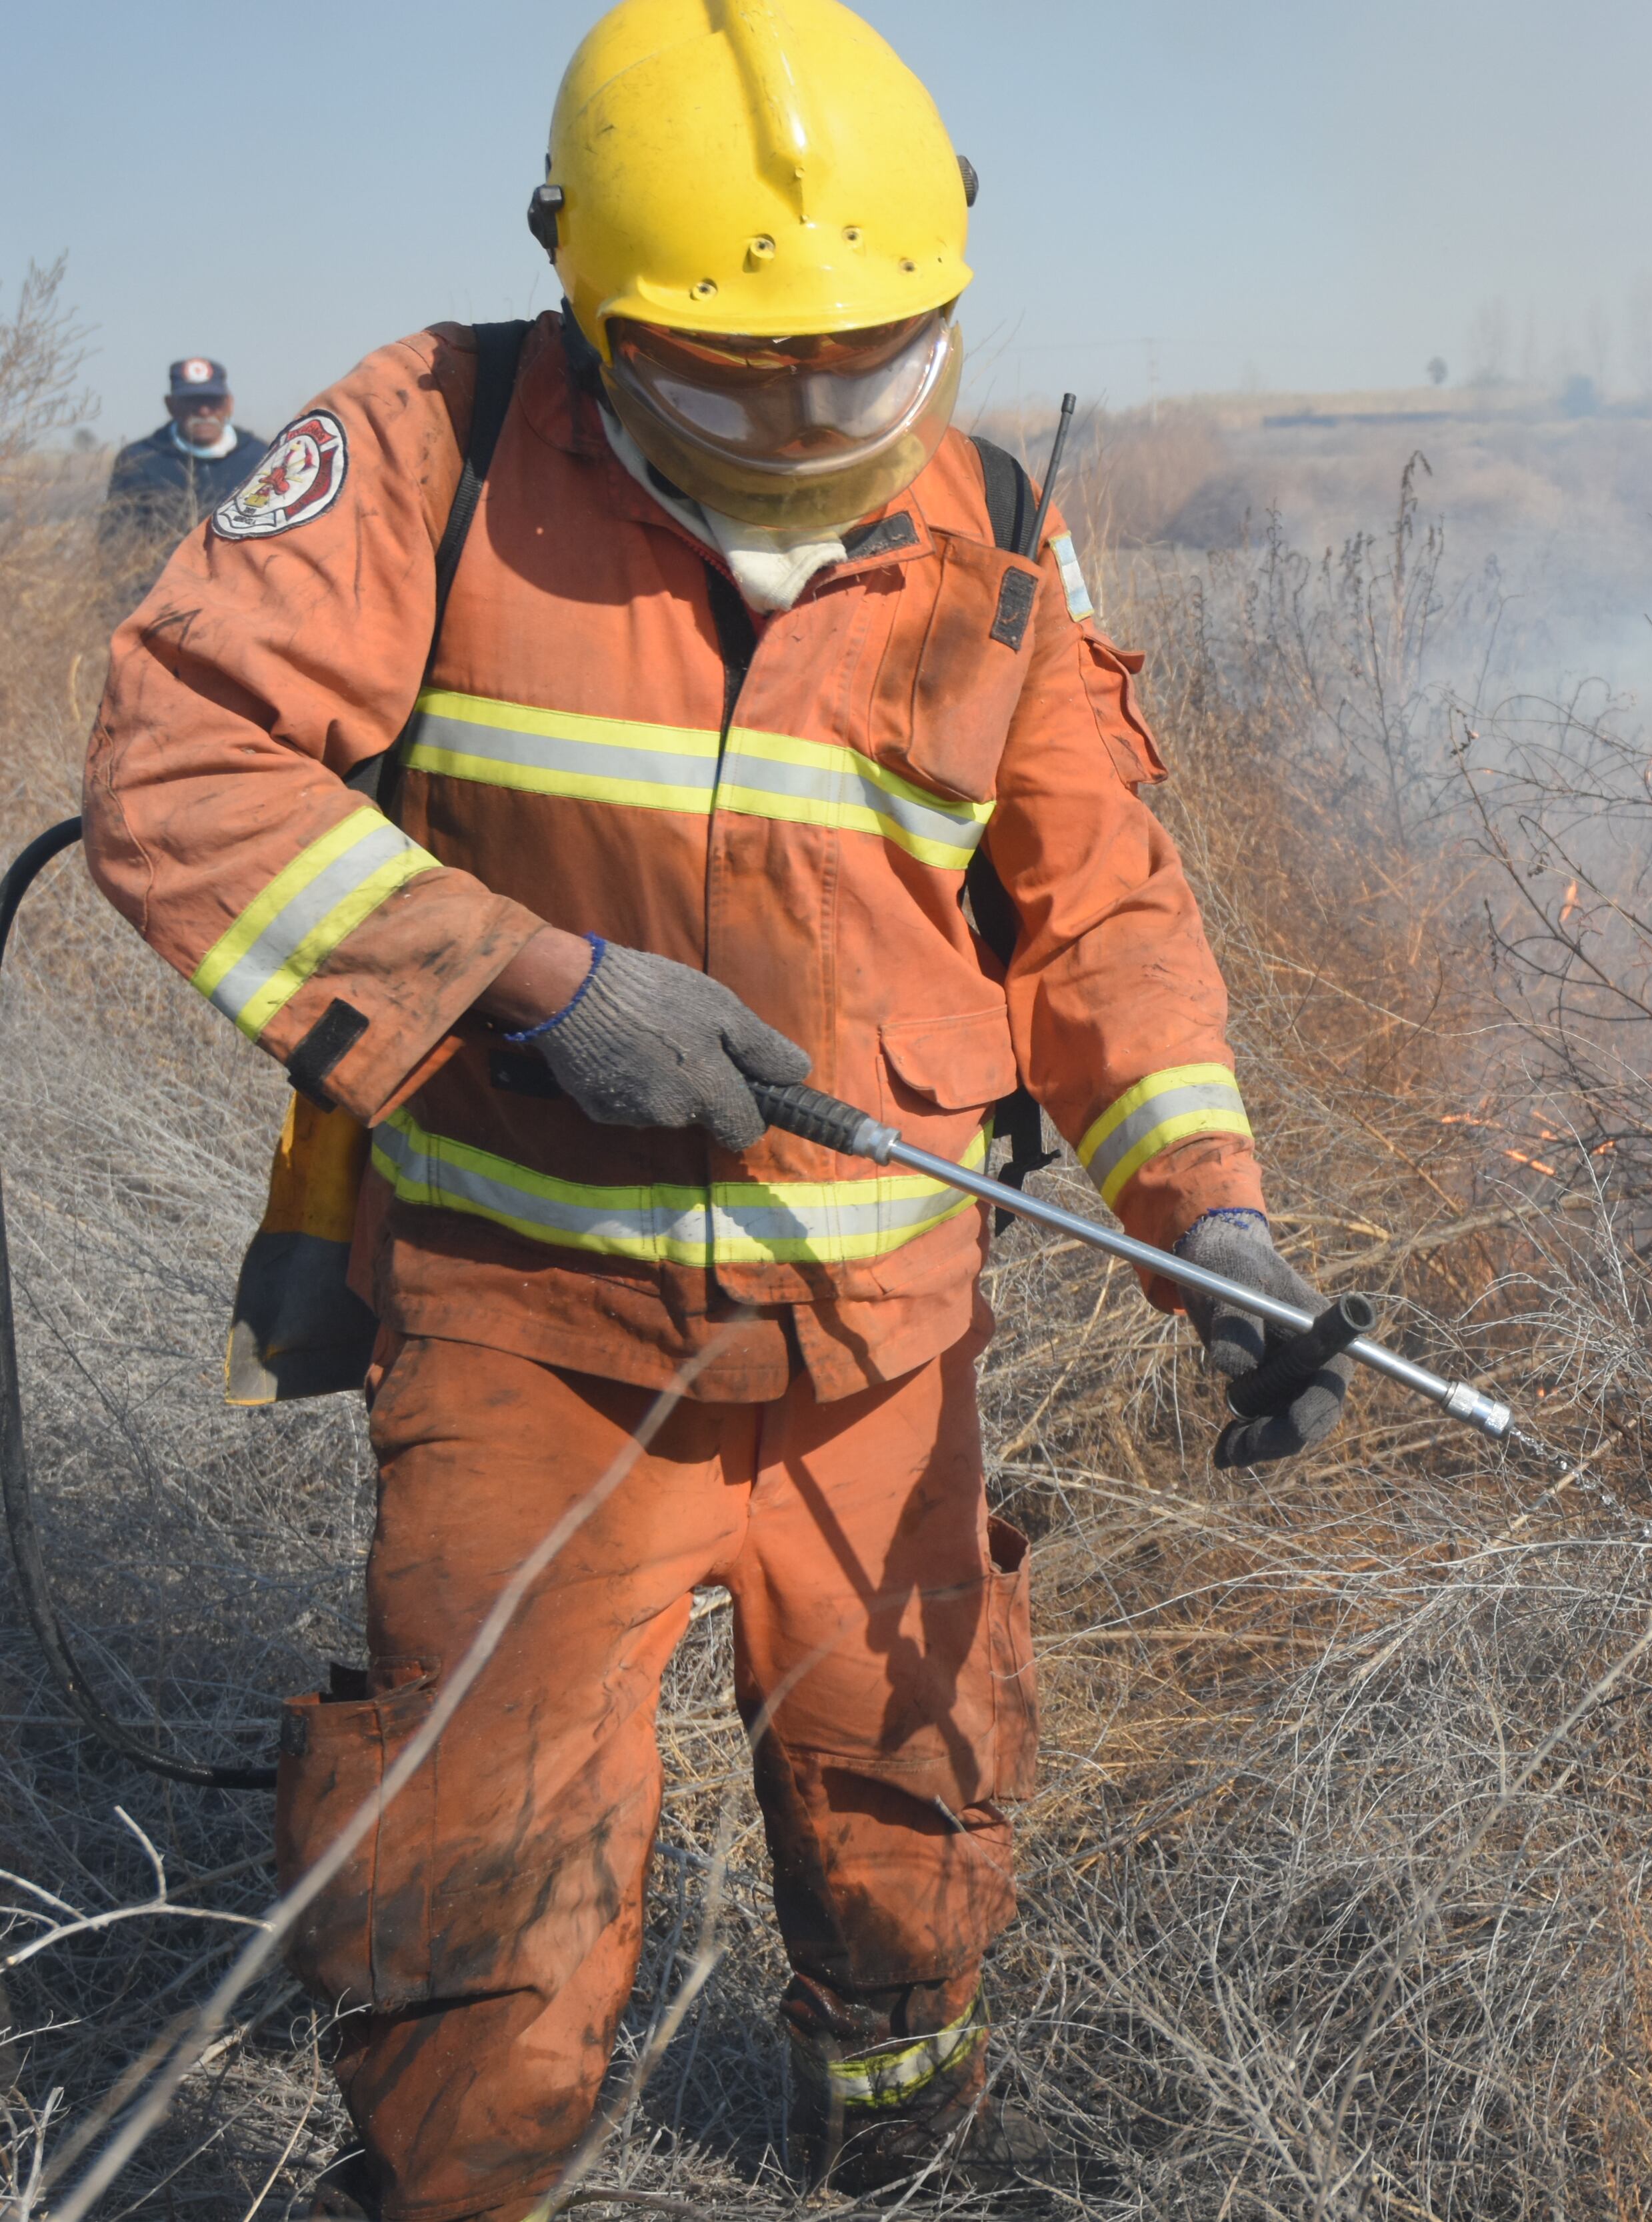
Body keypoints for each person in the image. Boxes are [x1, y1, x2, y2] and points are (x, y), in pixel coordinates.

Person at [82, 2, 1350, 2214]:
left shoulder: (1002, 525)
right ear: (592, 303)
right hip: (532, 1334)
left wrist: (1216, 1216)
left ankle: (898, 2143)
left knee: (914, 1815)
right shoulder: (428, 448)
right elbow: (181, 768)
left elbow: (1103, 916)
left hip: (884, 1365)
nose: (814, 422)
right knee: (474, 1886)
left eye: (867, 367)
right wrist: (531, 982)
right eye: (733, 375)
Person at [100, 355, 267, 547]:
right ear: (171, 406)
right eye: (193, 402)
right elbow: (115, 542)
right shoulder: (140, 461)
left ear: (229, 404)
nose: (204, 411)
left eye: (213, 402)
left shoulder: (260, 458)